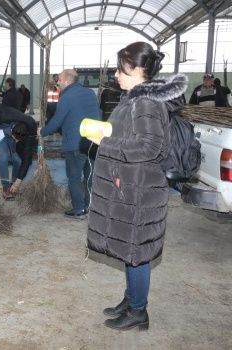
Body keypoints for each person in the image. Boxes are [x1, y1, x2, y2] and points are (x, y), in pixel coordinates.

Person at [85, 42, 187, 331]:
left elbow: (150, 147)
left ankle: (138, 311)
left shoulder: (145, 102)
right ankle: (131, 300)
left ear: (139, 70)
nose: (117, 74)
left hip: (140, 190)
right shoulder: (134, 98)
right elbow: (132, 134)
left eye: (122, 68)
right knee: (130, 251)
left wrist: (105, 142)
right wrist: (107, 132)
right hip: (131, 185)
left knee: (137, 253)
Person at [39, 68, 101, 219]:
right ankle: (89, 206)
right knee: (89, 176)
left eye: (59, 79)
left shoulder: (66, 97)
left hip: (75, 144)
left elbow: (57, 121)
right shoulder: (90, 93)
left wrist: (42, 132)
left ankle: (79, 209)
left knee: (74, 177)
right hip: (93, 142)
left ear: (67, 80)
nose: (57, 82)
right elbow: (97, 113)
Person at [0, 104, 36, 198]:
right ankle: (6, 187)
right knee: (4, 156)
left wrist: (17, 182)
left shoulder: (30, 129)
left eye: (17, 141)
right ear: (13, 133)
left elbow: (26, 160)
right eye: (15, 139)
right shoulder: (5, 115)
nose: (15, 141)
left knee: (17, 159)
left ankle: (13, 185)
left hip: (12, 130)